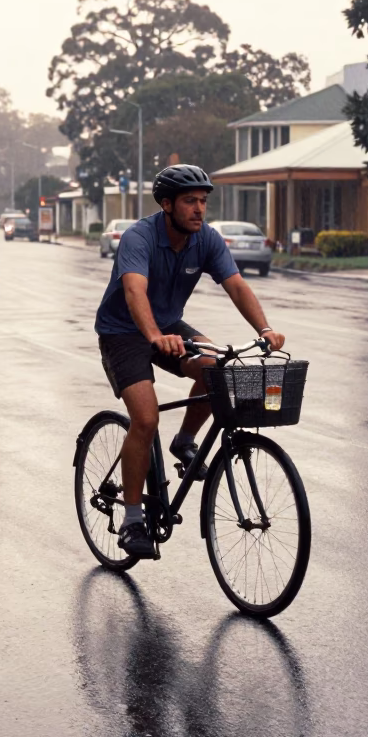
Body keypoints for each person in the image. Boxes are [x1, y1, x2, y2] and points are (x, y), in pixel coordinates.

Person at [94, 164, 286, 557]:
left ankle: (184, 442)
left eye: (203, 201)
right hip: (123, 332)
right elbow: (134, 291)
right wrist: (153, 337)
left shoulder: (207, 240)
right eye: (190, 202)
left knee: (219, 368)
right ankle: (132, 519)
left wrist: (265, 329)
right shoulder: (139, 237)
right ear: (167, 205)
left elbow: (236, 285)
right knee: (145, 419)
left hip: (166, 326)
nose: (199, 209)